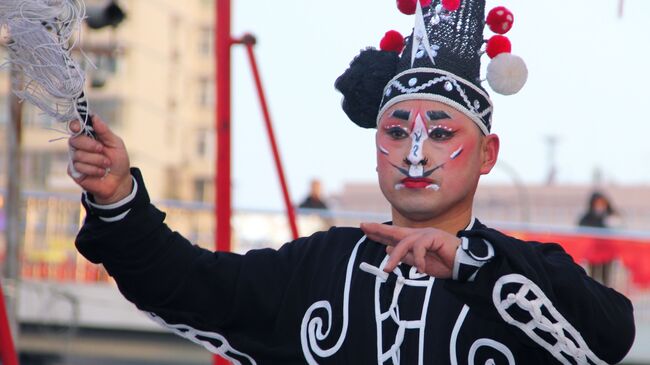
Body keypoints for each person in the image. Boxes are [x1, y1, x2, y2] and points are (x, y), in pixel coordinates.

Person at [68, 1, 635, 364]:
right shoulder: (321, 265)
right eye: (396, 131)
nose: (416, 155)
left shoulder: (523, 270)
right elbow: (187, 284)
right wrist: (118, 198)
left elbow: (612, 334)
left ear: (488, 154)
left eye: (441, 133)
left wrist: (471, 268)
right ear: (376, 146)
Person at [578, 191, 618, 286]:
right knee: (593, 277)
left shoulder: (611, 215)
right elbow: (581, 229)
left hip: (608, 252)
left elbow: (618, 228)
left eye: (602, 203)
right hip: (593, 252)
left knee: (606, 277)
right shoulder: (587, 217)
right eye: (598, 203)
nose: (600, 206)